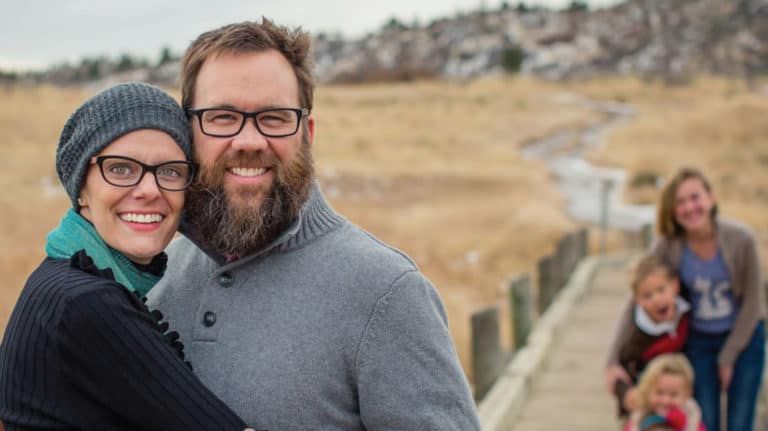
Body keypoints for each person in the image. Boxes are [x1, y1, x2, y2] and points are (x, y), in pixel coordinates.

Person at [146, 18, 481, 430]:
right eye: (221, 117)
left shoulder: (387, 293)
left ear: (307, 132)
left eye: (273, 118)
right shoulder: (157, 274)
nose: (249, 141)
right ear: (188, 132)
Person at [0, 83, 254, 430]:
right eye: (120, 169)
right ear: (82, 191)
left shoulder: (61, 277)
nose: (149, 190)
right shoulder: (86, 304)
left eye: (170, 171)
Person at [607, 166, 765, 431]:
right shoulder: (669, 245)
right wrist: (612, 361)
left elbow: (754, 304)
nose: (690, 207)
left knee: (740, 423)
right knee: (705, 421)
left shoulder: (742, 240)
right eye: (681, 202)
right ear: (672, 209)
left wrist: (728, 357)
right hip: (699, 341)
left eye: (696, 197)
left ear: (710, 198)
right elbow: (637, 298)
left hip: (745, 339)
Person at [613, 254, 691, 417]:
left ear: (675, 286)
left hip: (680, 400)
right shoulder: (636, 337)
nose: (657, 299)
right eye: (647, 296)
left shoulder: (687, 316)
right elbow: (621, 371)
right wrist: (627, 394)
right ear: (636, 300)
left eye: (661, 290)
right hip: (649, 407)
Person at [624, 354, 705, 431]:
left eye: (674, 394)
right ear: (647, 391)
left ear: (688, 394)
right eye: (660, 392)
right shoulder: (637, 420)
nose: (666, 400)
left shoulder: (692, 420)